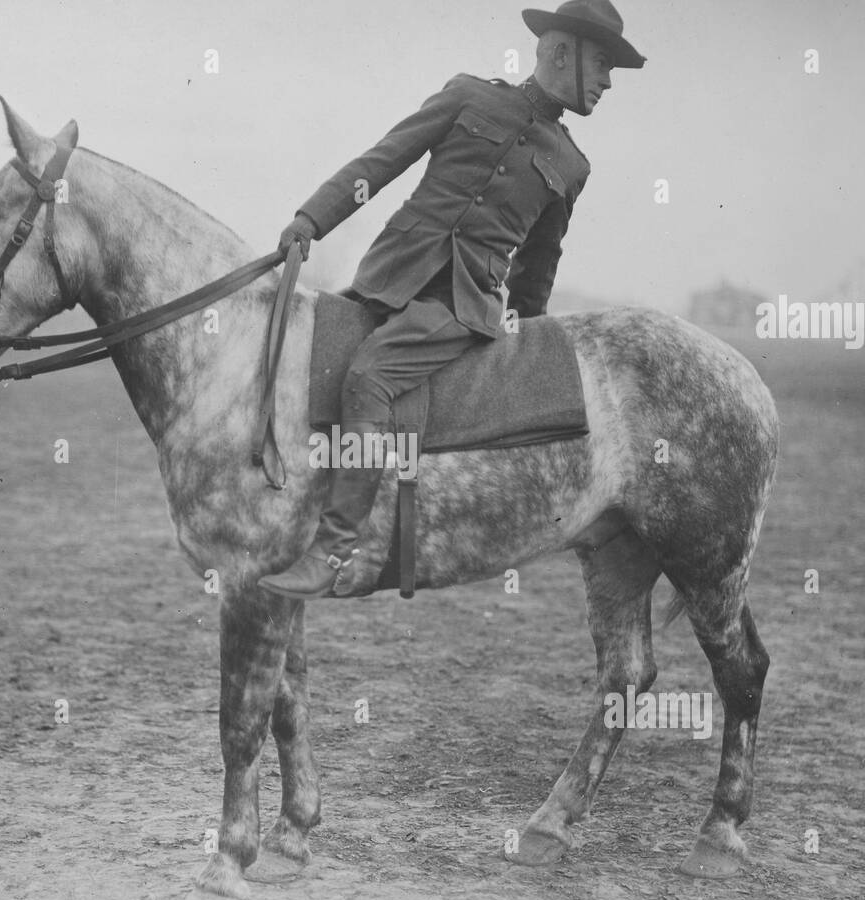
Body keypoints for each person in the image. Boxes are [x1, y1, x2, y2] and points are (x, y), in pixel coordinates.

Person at [259, 0, 646, 599]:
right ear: (560, 53)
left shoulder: (571, 165)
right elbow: (381, 161)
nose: (608, 81)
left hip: (461, 308)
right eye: (602, 64)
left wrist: (528, 342)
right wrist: (312, 219)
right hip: (388, 280)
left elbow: (540, 264)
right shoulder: (468, 96)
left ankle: (334, 550)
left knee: (368, 378)